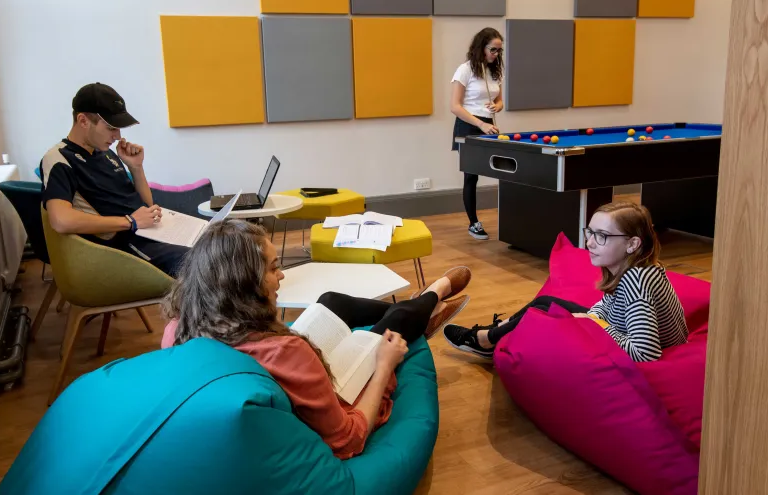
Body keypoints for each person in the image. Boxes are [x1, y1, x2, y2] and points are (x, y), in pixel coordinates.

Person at [160, 220, 472, 459]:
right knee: (390, 329)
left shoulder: (177, 329)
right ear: (244, 284)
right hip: (334, 398)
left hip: (291, 376)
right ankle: (432, 296)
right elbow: (349, 439)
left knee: (329, 300)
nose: (281, 276)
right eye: (273, 268)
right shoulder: (287, 351)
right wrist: (383, 367)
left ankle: (418, 306)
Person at [443, 202, 689, 363]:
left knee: (547, 312)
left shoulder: (637, 280)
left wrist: (598, 324)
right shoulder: (628, 265)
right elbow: (608, 306)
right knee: (545, 303)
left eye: (601, 236)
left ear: (632, 244)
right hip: (622, 330)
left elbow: (646, 353)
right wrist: (594, 316)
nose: (589, 243)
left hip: (639, 349)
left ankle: (486, 340)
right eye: (590, 232)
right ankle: (489, 337)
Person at [40, 82, 188, 277]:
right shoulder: (59, 159)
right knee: (207, 261)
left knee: (221, 242)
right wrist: (130, 222)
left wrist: (135, 167)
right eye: (111, 128)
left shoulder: (105, 153)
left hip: (148, 234)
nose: (118, 137)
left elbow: (145, 205)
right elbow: (61, 220)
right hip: (124, 249)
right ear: (83, 120)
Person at [450, 27, 504, 241]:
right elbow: (455, 106)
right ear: (481, 47)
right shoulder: (464, 70)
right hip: (469, 125)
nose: (496, 54)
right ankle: (473, 223)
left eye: (499, 51)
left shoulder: (493, 70)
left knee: (501, 169)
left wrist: (497, 106)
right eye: (493, 50)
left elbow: (500, 99)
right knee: (471, 176)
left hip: (488, 124)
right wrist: (480, 125)